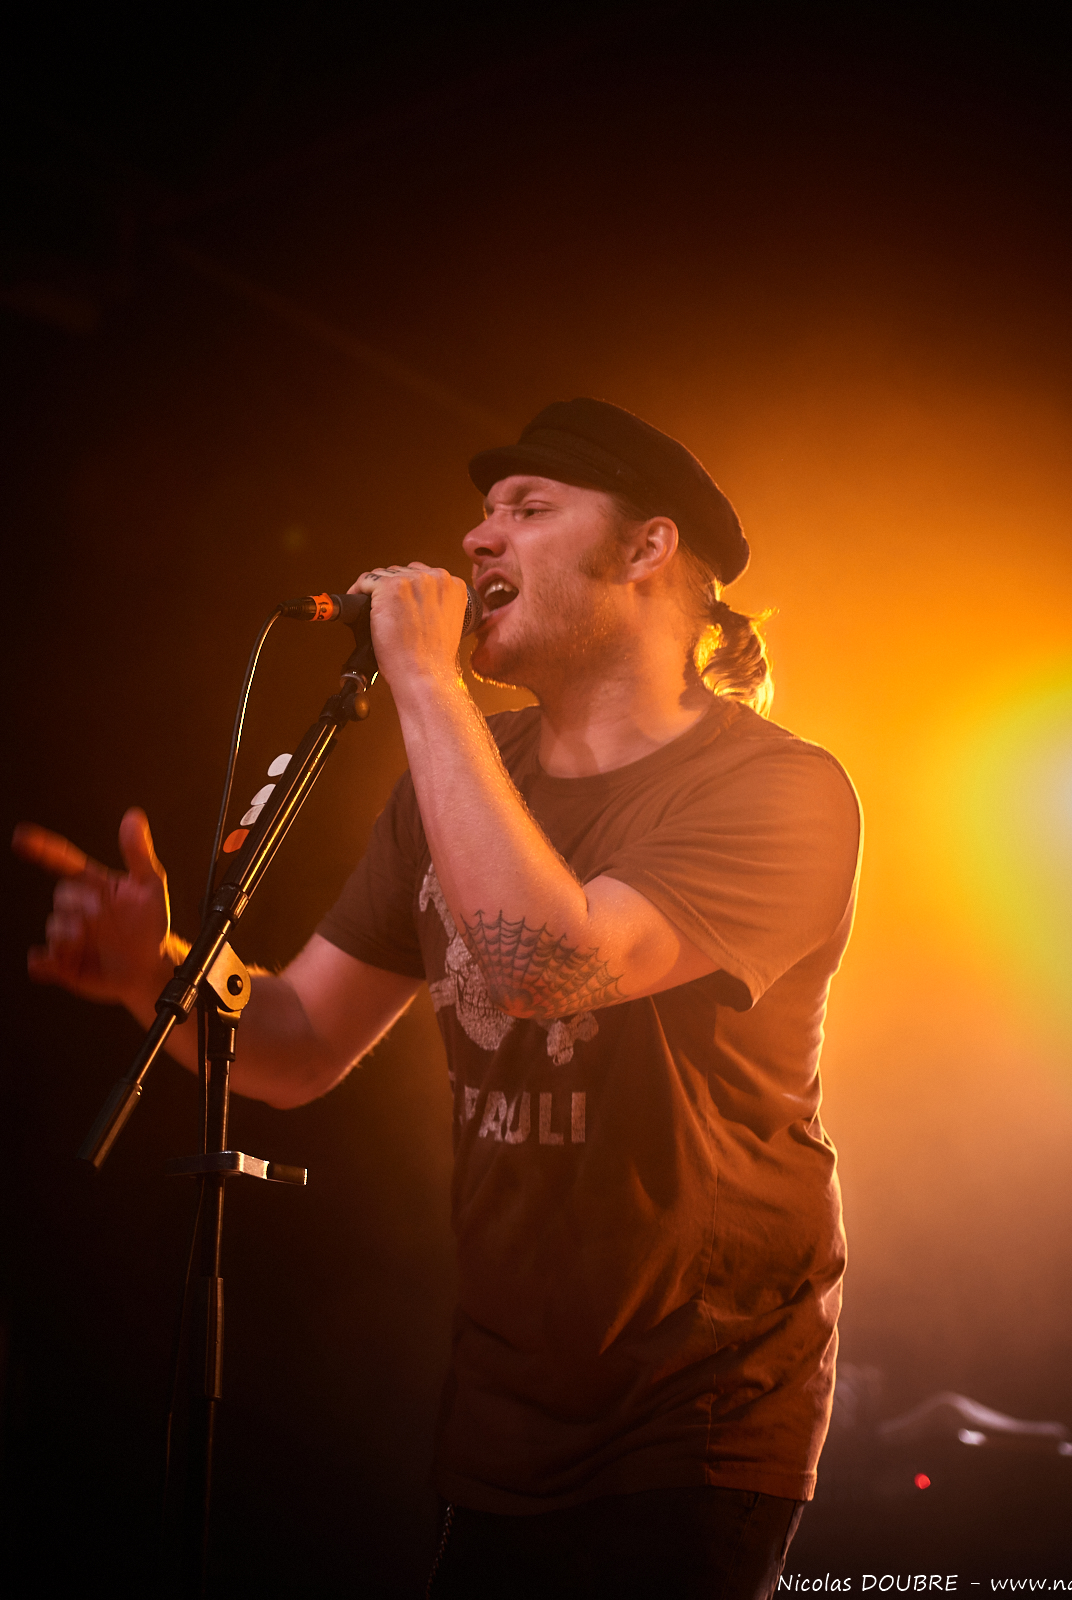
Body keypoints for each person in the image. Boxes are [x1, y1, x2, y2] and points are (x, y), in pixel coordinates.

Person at [16, 398, 862, 1599]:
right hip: (503, 1420)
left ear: (647, 548)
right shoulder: (465, 777)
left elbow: (547, 968)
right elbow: (299, 1042)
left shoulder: (779, 791)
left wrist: (422, 677)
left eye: (528, 508)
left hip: (697, 1413)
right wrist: (149, 969)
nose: (475, 538)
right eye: (481, 512)